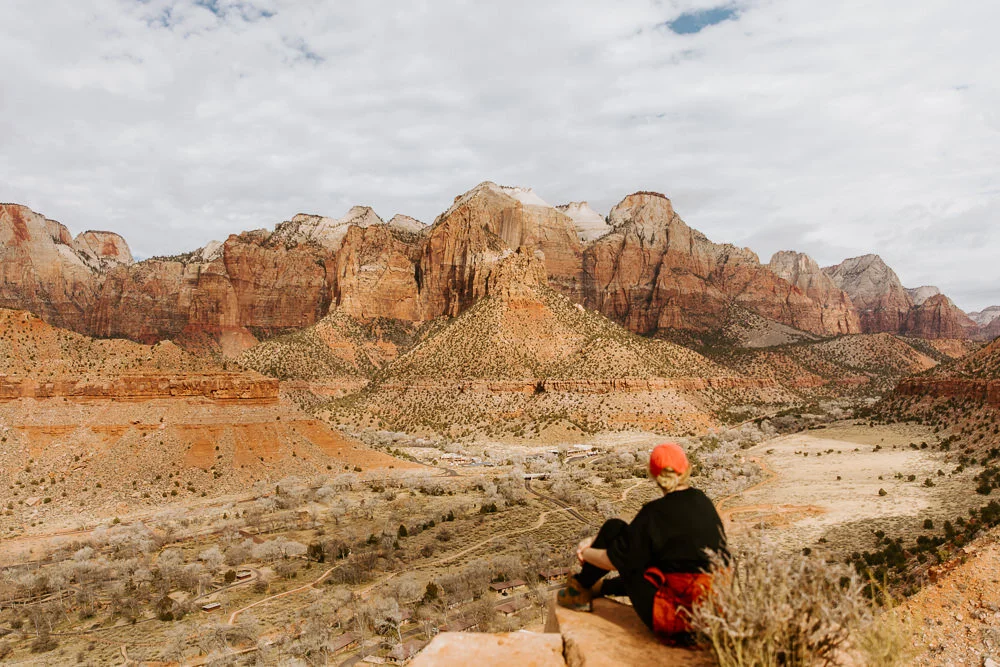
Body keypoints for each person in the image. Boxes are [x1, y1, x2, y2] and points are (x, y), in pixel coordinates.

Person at [556, 442, 728, 637]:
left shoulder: (654, 513)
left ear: (654, 475)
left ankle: (580, 589)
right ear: (687, 469)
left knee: (616, 532)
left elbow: (613, 560)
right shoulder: (702, 501)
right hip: (711, 614)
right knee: (625, 538)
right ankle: (598, 588)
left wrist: (584, 551)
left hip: (676, 621)